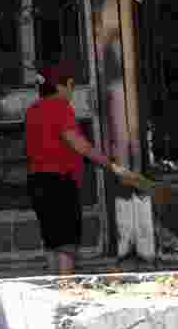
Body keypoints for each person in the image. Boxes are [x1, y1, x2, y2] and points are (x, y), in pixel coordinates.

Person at [26, 61, 114, 275]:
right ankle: (66, 288)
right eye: (70, 86)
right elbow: (78, 144)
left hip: (37, 182)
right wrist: (107, 163)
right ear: (59, 87)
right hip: (59, 182)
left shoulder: (33, 110)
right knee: (66, 240)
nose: (72, 92)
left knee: (51, 238)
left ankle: (55, 286)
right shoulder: (60, 107)